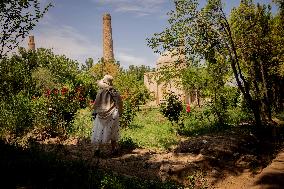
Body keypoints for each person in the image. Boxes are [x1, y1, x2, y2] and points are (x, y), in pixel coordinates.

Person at [91, 75, 123, 155]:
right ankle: (114, 149)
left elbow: (95, 104)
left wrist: (95, 110)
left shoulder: (100, 92)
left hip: (102, 114)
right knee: (113, 131)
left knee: (100, 131)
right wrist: (120, 112)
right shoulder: (115, 92)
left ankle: (97, 149)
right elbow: (119, 103)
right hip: (113, 113)